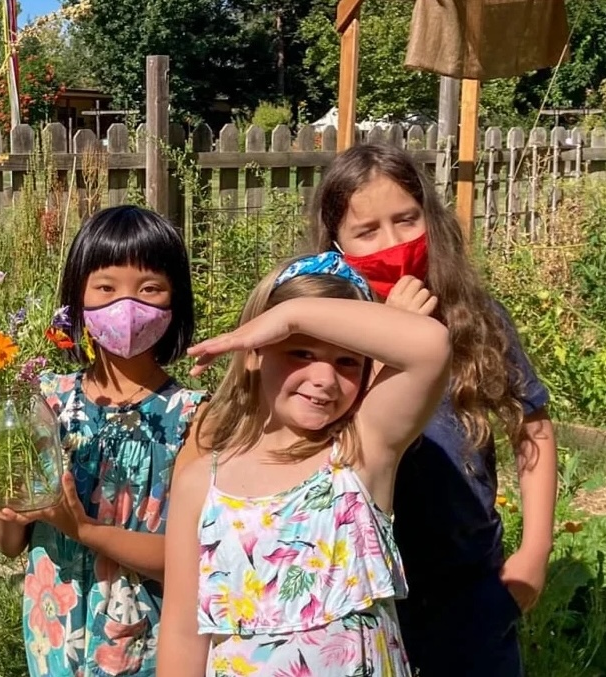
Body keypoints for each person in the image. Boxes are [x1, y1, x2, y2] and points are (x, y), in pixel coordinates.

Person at [310, 143, 558, 677]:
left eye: (406, 220)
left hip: (470, 588)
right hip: (359, 592)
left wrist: (535, 550)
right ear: (336, 242)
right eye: (367, 231)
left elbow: (530, 422)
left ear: (431, 218)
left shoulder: (473, 314)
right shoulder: (322, 327)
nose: (394, 243)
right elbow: (319, 442)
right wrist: (388, 340)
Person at [156, 252, 452, 676]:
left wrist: (293, 317)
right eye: (300, 352)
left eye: (347, 361)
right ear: (255, 350)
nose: (324, 379)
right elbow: (184, 634)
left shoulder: (360, 452)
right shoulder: (201, 485)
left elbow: (431, 348)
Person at [0, 206, 206, 677]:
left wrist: (81, 527)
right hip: (52, 635)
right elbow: (10, 544)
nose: (127, 304)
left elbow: (190, 563)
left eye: (149, 288)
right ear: (76, 300)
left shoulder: (195, 417)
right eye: (106, 286)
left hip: (148, 646)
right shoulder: (46, 401)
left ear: (175, 300)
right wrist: (5, 502)